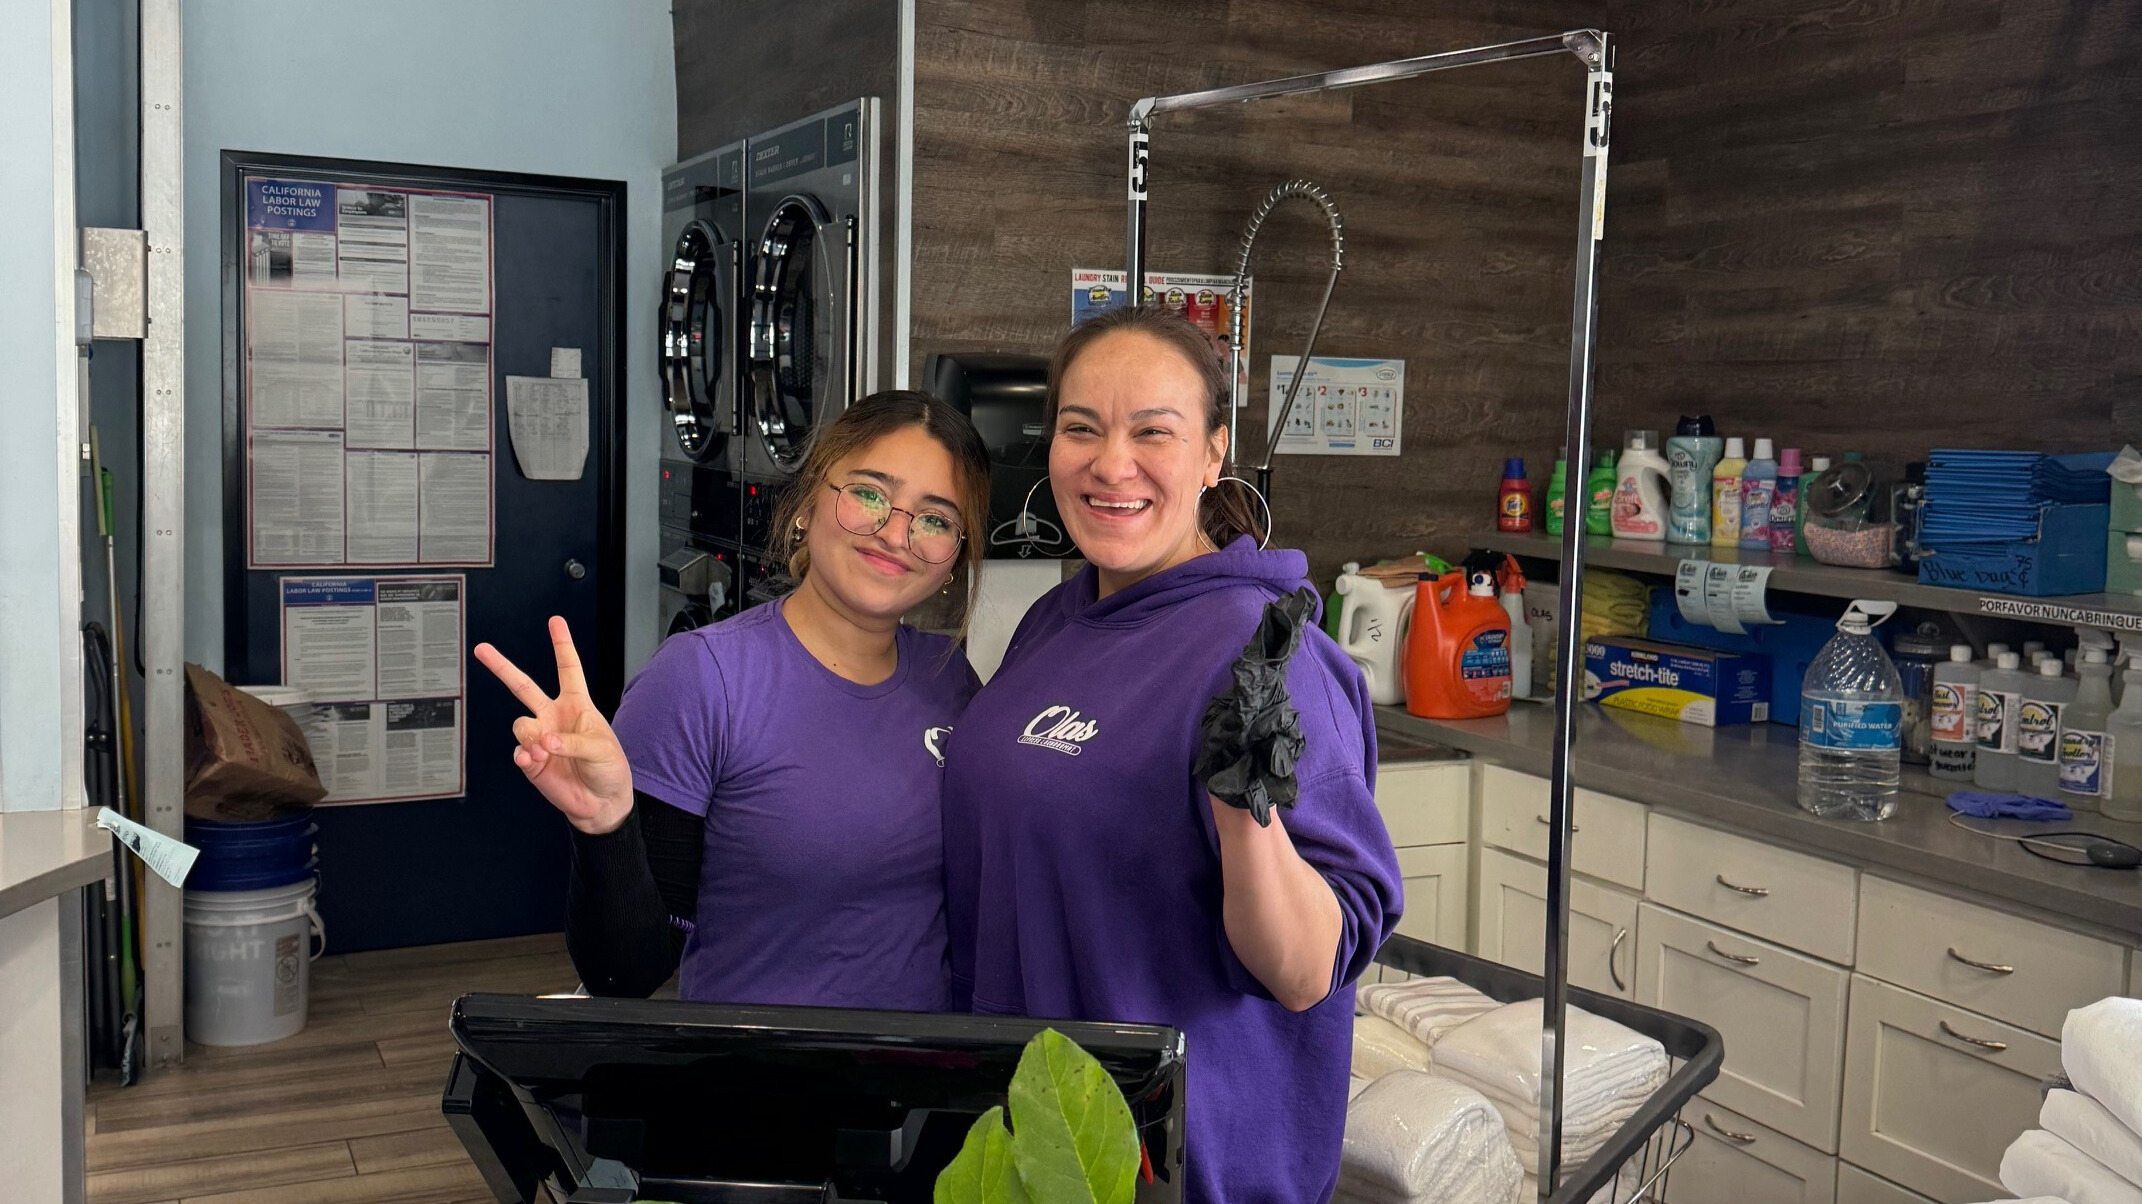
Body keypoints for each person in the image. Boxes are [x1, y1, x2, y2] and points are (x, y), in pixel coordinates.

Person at [940, 306, 1403, 1202]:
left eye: (1153, 431)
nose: (1112, 464)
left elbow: (1307, 972)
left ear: (1211, 454)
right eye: (1082, 429)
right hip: (1036, 1139)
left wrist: (1246, 813)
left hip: (1175, 1167)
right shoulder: (1059, 618)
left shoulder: (1266, 653)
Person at [474, 390, 990, 1008]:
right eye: (870, 494)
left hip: (927, 1087)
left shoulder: (951, 680)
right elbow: (625, 974)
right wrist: (605, 826)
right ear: (806, 505)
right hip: (755, 1087)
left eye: (935, 519)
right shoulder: (702, 680)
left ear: (955, 557)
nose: (895, 533)